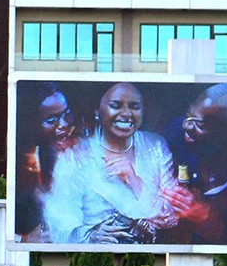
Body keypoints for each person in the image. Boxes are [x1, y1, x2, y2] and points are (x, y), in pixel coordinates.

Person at [41, 82, 179, 243]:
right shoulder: (75, 155)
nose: (127, 113)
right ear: (97, 111)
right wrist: (91, 236)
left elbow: (171, 218)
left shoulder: (155, 146)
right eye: (116, 105)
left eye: (134, 106)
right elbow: (59, 223)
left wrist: (135, 182)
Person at [161, 83, 227, 244]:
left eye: (200, 124)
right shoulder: (175, 133)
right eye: (188, 115)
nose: (186, 125)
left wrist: (207, 221)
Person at [15, 82, 80, 241]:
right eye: (52, 120)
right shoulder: (26, 172)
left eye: (66, 114)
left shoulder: (82, 152)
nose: (63, 125)